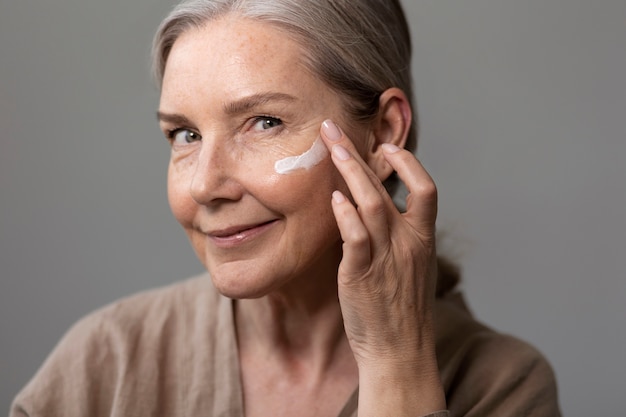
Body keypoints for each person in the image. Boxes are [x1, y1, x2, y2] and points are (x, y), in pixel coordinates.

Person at [10, 1, 561, 416]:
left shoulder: (501, 386)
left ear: (382, 132)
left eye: (265, 122)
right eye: (185, 134)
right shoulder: (104, 364)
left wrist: (396, 365)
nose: (206, 185)